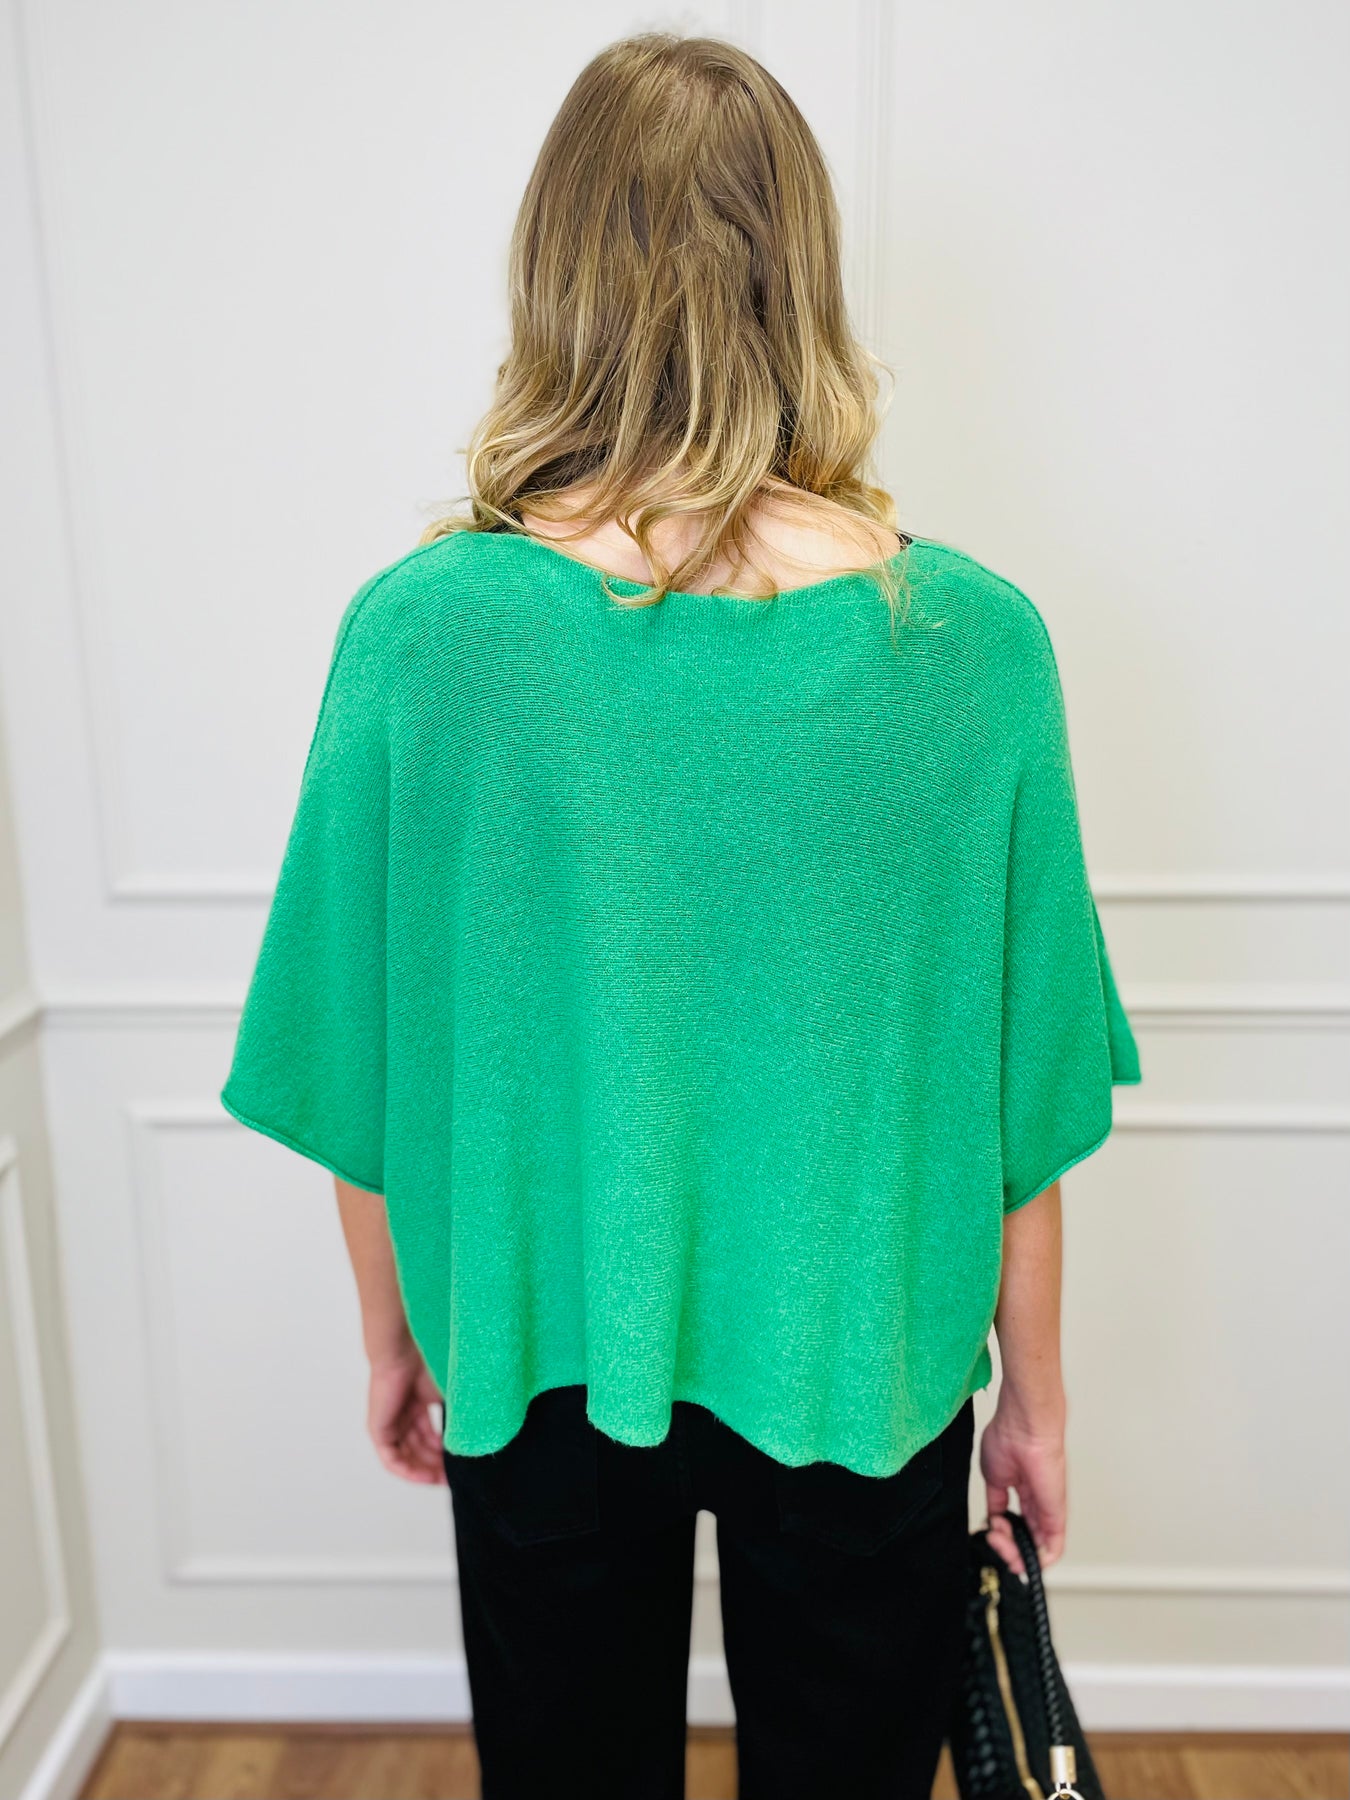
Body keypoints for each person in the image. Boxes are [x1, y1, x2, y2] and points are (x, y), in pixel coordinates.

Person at [219, 29, 1141, 1800]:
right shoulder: (970, 647)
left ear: (555, 276)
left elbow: (363, 1058)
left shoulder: (421, 636)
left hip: (535, 1353)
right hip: (867, 1363)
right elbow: (1021, 1108)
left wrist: (394, 1336)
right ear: (800, 276)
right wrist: (1034, 1402)